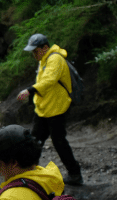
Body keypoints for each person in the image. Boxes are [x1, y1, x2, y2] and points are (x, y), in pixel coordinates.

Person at [16, 32, 83, 186]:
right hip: (44, 108)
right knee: (35, 140)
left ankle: (75, 174)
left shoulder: (55, 59)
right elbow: (43, 83)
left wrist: (29, 90)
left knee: (58, 141)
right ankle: (29, 172)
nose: (33, 54)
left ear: (45, 47)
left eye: (35, 50)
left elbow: (49, 81)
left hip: (57, 108)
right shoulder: (44, 60)